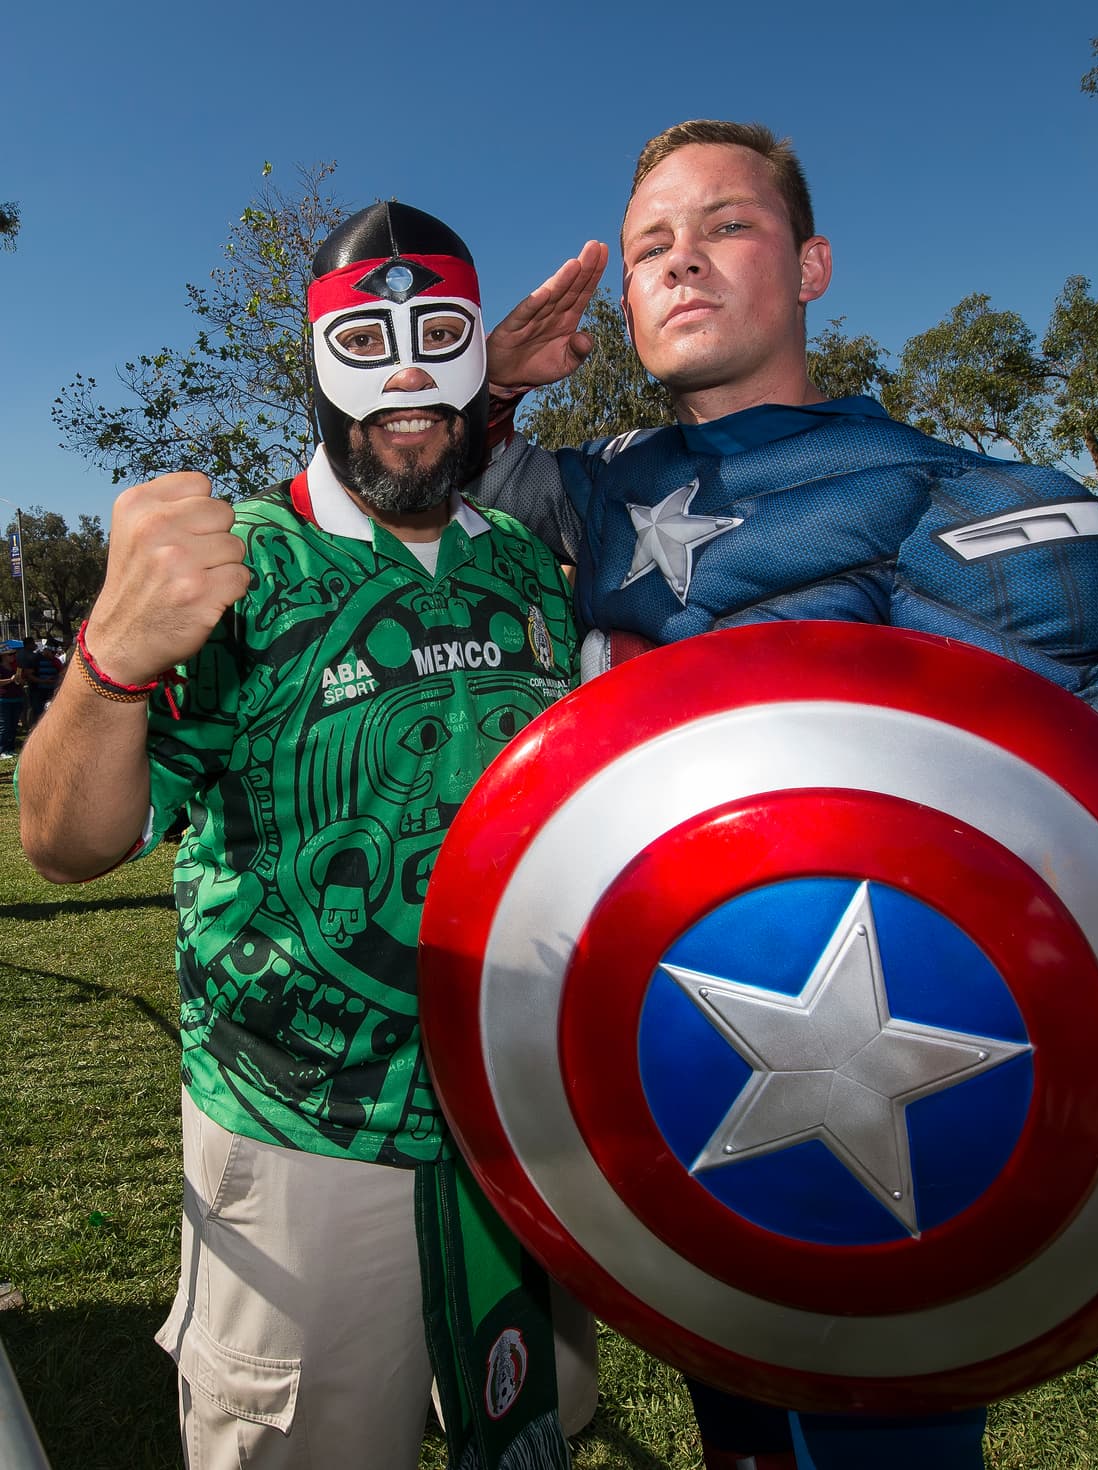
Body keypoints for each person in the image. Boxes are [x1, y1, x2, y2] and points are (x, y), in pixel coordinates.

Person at [470, 118, 1098, 1469]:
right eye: (649, 245)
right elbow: (406, 491)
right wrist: (492, 386)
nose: (681, 262)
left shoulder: (950, 496)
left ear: (810, 267)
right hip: (663, 1060)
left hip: (893, 1071)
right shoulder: (593, 490)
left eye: (727, 226)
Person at [17, 201, 595, 1470]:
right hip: (306, 1138)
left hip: (516, 1111)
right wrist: (110, 661)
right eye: (367, 347)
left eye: (437, 343)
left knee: (532, 1427)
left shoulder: (521, 563)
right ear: (316, 366)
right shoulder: (239, 569)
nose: (406, 385)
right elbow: (64, 847)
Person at [0, 645, 22, 758]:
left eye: (14, 654)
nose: (13, 656)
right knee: (5, 726)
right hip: (4, 700)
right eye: (10, 654)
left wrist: (20, 680)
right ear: (3, 656)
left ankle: (10, 748)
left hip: (16, 698)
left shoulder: (15, 667)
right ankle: (3, 750)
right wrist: (10, 680)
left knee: (13, 725)